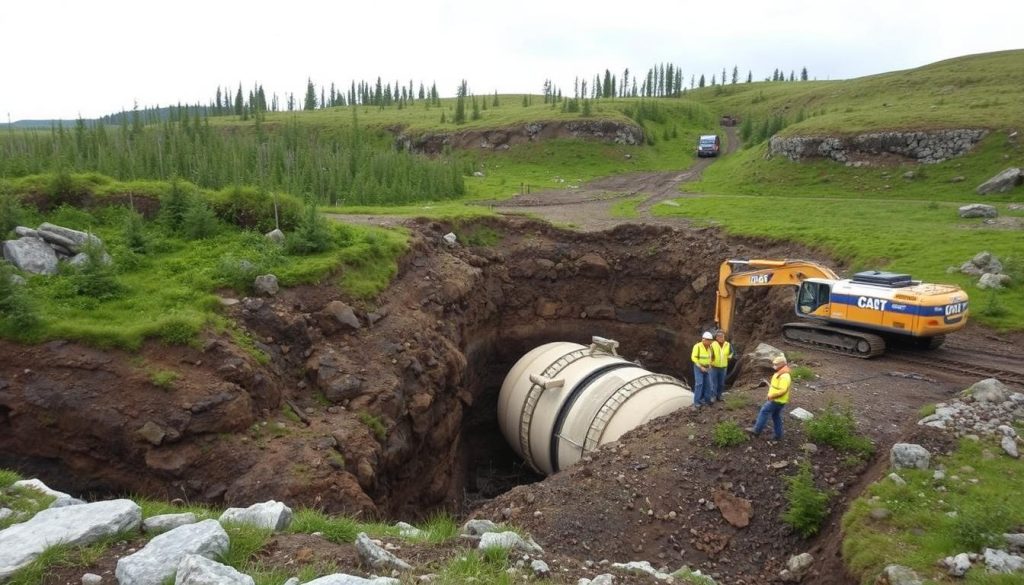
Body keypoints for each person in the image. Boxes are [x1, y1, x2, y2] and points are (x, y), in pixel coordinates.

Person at [749, 354, 792, 440]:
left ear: (782, 364)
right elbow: (777, 386)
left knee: (764, 411)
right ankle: (778, 435)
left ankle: (756, 430)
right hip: (780, 401)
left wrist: (771, 395)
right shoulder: (781, 373)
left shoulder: (784, 376)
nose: (774, 366)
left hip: (776, 400)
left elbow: (782, 390)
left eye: (776, 364)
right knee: (776, 416)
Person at [691, 331, 714, 408]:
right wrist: (701, 367)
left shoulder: (710, 347)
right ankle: (697, 402)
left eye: (711, 340)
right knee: (699, 384)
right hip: (698, 368)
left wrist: (710, 364)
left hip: (707, 368)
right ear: (704, 340)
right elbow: (693, 358)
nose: (710, 342)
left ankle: (707, 400)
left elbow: (710, 357)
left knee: (708, 384)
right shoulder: (697, 346)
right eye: (709, 340)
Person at [710, 330, 733, 402]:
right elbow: (709, 354)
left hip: (723, 367)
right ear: (716, 338)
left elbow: (732, 352)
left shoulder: (727, 344)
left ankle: (719, 396)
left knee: (721, 383)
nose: (721, 338)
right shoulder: (712, 344)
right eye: (719, 336)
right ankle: (713, 396)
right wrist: (710, 361)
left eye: (722, 336)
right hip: (714, 367)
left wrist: (729, 357)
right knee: (714, 383)